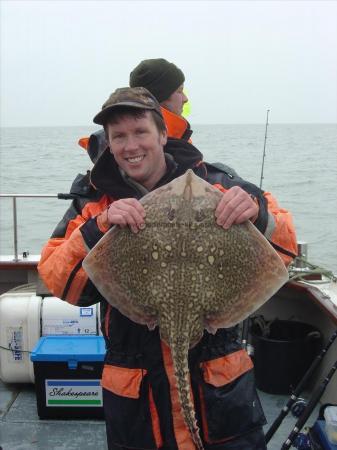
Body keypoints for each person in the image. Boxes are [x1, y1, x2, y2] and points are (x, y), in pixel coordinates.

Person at [38, 87, 297, 450]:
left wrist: (258, 211)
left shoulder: (218, 184)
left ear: (163, 133)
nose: (130, 145)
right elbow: (57, 279)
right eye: (119, 137)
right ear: (109, 144)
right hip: (139, 399)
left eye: (140, 131)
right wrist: (98, 230)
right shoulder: (96, 202)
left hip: (220, 392)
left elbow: (285, 250)